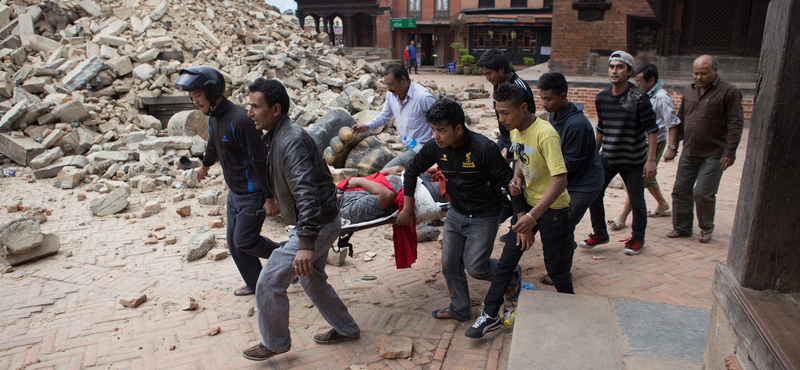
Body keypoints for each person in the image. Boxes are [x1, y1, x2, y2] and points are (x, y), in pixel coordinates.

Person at [242, 78, 360, 361]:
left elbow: (306, 194)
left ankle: (275, 342)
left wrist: (306, 242)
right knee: (311, 279)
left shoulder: (291, 140)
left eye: (255, 107)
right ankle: (346, 328)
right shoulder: (280, 135)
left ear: (276, 109)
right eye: (249, 106)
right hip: (320, 222)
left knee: (269, 282)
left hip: (316, 226)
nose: (250, 113)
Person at [397, 98, 519, 322]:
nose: (436, 136)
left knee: (476, 268)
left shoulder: (484, 149)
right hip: (456, 212)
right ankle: (460, 308)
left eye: (442, 130)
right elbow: (412, 171)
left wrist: (521, 218)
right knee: (449, 265)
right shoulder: (435, 148)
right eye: (433, 129)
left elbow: (508, 183)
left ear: (458, 128)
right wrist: (407, 206)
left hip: (485, 215)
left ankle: (510, 273)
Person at [466, 82, 572, 338]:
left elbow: (560, 180)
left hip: (553, 209)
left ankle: (572, 309)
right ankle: (490, 315)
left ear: (524, 108)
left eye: (506, 113)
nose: (501, 119)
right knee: (506, 262)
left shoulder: (545, 133)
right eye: (498, 113)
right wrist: (517, 178)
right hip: (527, 207)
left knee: (556, 268)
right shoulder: (515, 130)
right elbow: (519, 159)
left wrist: (533, 217)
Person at [174, 66, 280, 297]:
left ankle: (288, 258)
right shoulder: (214, 118)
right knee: (235, 243)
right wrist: (205, 164)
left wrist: (270, 196)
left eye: (198, 96)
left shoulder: (240, 120)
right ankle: (256, 283)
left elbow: (259, 160)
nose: (195, 102)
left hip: (253, 193)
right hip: (235, 192)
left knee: (245, 241)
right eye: (192, 97)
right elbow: (213, 143)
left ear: (212, 92)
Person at [578, 51, 659, 255]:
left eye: (620, 67)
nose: (614, 71)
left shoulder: (639, 97)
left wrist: (651, 161)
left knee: (637, 200)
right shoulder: (602, 97)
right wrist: (592, 156)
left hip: (633, 159)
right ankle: (600, 233)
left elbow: (652, 129)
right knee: (593, 193)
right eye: (612, 66)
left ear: (629, 71)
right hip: (608, 157)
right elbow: (601, 129)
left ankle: (637, 238)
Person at [665, 55, 743, 243]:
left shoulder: (729, 91)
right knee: (680, 190)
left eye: (703, 73)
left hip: (714, 153)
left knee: (703, 193)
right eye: (695, 73)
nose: (698, 77)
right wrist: (673, 146)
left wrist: (730, 151)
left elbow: (736, 122)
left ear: (715, 70)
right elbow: (681, 118)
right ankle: (682, 227)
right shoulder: (689, 90)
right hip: (689, 150)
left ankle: (706, 227)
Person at [536, 72, 604, 285]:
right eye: (542, 98)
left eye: (548, 99)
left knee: (562, 225)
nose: (544, 103)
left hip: (584, 184)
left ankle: (562, 272)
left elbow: (569, 164)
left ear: (563, 96)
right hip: (569, 181)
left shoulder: (575, 124)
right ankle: (563, 259)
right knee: (560, 225)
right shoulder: (556, 114)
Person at [608, 63, 680, 230]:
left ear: (651, 80)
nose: (637, 84)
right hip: (637, 142)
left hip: (654, 142)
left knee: (637, 180)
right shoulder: (638, 95)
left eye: (640, 82)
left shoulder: (661, 98)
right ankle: (662, 204)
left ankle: (623, 216)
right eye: (636, 81)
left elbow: (672, 123)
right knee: (647, 175)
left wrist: (671, 147)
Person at [475, 49, 536, 236]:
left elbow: (528, 125)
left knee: (517, 183)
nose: (487, 78)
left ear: (501, 68)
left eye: (489, 73)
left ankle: (520, 226)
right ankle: (507, 208)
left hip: (519, 141)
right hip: (505, 138)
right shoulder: (499, 85)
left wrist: (511, 151)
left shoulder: (519, 88)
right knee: (490, 174)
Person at [352, 63, 436, 169]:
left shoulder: (423, 97)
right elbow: (384, 116)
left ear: (403, 80)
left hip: (422, 149)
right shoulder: (391, 95)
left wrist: (434, 149)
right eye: (386, 84)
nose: (388, 88)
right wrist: (366, 127)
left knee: (386, 171)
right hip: (408, 146)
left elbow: (441, 122)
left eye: (391, 84)